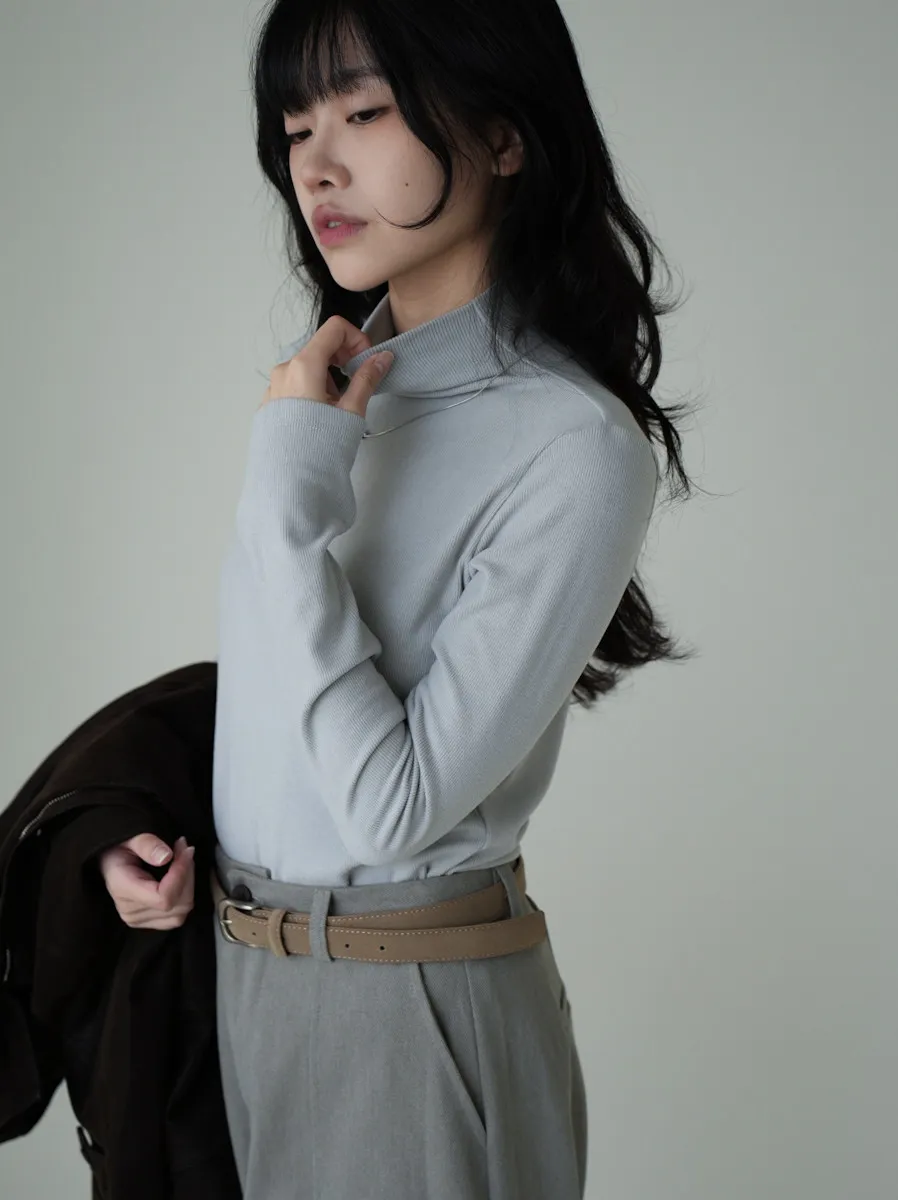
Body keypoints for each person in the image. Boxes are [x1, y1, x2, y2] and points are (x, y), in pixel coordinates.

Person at [99, 1, 697, 1196]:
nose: (316, 164)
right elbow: (286, 717)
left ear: (505, 137)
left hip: (410, 1007)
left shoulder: (573, 444)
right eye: (294, 128)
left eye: (364, 112)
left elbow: (390, 810)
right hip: (245, 984)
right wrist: (151, 843)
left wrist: (286, 501)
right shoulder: (331, 400)